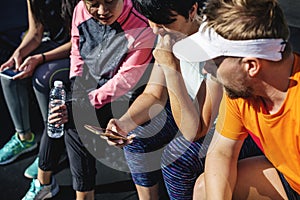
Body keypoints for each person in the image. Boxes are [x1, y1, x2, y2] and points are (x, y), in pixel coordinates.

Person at [103, 0, 262, 199]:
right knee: (137, 138)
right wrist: (123, 123)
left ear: (192, 10)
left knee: (176, 157)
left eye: (164, 22)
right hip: (188, 109)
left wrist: (172, 68)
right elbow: (153, 94)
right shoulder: (167, 32)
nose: (156, 30)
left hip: (232, 124)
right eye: (152, 21)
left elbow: (195, 131)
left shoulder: (215, 46)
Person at [22, 0, 156, 199]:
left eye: (110, 2)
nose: (102, 11)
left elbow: (125, 81)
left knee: (73, 121)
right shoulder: (80, 10)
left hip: (126, 95)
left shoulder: (141, 24)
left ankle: (67, 190)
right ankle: (46, 182)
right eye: (93, 4)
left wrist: (82, 104)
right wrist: (77, 87)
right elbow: (77, 51)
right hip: (90, 86)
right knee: (59, 112)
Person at [172, 0, 300, 199]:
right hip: (292, 177)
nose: (205, 69)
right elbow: (221, 152)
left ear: (251, 66)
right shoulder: (242, 89)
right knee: (205, 188)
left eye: (214, 62)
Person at [0, 0, 76, 176]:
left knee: (42, 79)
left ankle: (53, 148)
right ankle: (24, 138)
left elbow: (78, 41)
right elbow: (35, 33)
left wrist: (40, 58)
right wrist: (17, 54)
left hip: (77, 51)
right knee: (9, 73)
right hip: (53, 46)